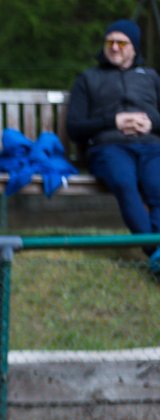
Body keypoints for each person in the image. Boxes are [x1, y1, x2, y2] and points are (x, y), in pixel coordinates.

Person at [67, 18, 160, 273]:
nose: (115, 47)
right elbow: (74, 127)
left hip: (151, 146)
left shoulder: (150, 77)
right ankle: (156, 252)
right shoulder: (88, 78)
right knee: (124, 183)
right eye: (110, 42)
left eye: (122, 42)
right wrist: (113, 121)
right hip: (108, 148)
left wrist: (151, 122)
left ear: (134, 48)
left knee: (157, 188)